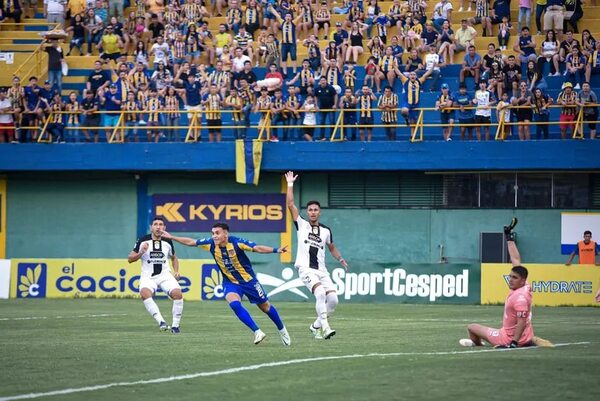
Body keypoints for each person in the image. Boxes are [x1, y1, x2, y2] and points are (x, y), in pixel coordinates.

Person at [161, 223, 291, 346]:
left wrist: (276, 250)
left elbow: (257, 248)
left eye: (217, 233)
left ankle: (282, 329)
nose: (214, 236)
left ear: (225, 234)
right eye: (213, 233)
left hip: (249, 281)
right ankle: (257, 332)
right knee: (234, 304)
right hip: (230, 282)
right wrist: (172, 237)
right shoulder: (211, 244)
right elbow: (191, 242)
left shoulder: (236, 242)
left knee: (265, 307)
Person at [460, 218, 553, 348]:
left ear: (522, 279)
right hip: (525, 335)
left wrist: (513, 343)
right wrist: (509, 238)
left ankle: (478, 344)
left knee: (472, 327)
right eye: (510, 276)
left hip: (507, 338)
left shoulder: (519, 297)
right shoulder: (526, 286)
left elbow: (521, 322)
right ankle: (528, 340)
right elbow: (515, 258)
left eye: (514, 277)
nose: (510, 279)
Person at [285, 171, 349, 340]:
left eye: (316, 210)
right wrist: (290, 184)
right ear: (307, 213)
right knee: (320, 293)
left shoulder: (326, 230)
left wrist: (340, 258)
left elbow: (332, 247)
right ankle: (326, 328)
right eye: (310, 210)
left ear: (320, 212)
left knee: (333, 301)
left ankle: (315, 326)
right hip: (306, 269)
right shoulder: (302, 225)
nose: (313, 212)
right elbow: (290, 204)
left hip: (322, 270)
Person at [127, 216, 183, 334]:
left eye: (161, 224)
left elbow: (174, 257)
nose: (158, 227)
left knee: (177, 294)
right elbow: (130, 259)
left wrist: (176, 271)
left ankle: (175, 326)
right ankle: (161, 322)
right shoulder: (143, 240)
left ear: (164, 227)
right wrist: (141, 252)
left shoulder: (168, 241)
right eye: (156, 224)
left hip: (165, 275)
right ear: (151, 227)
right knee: (144, 293)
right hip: (148, 276)